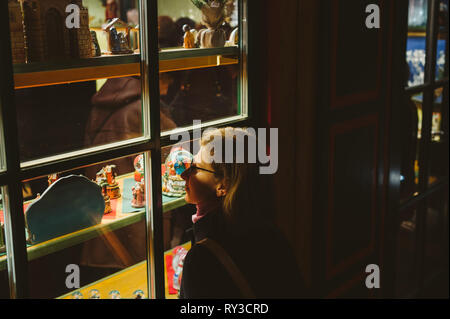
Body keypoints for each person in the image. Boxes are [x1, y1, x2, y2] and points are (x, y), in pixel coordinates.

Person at [179, 127, 306, 298]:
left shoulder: (202, 259)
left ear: (223, 184)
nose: (184, 175)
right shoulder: (273, 235)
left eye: (195, 168)